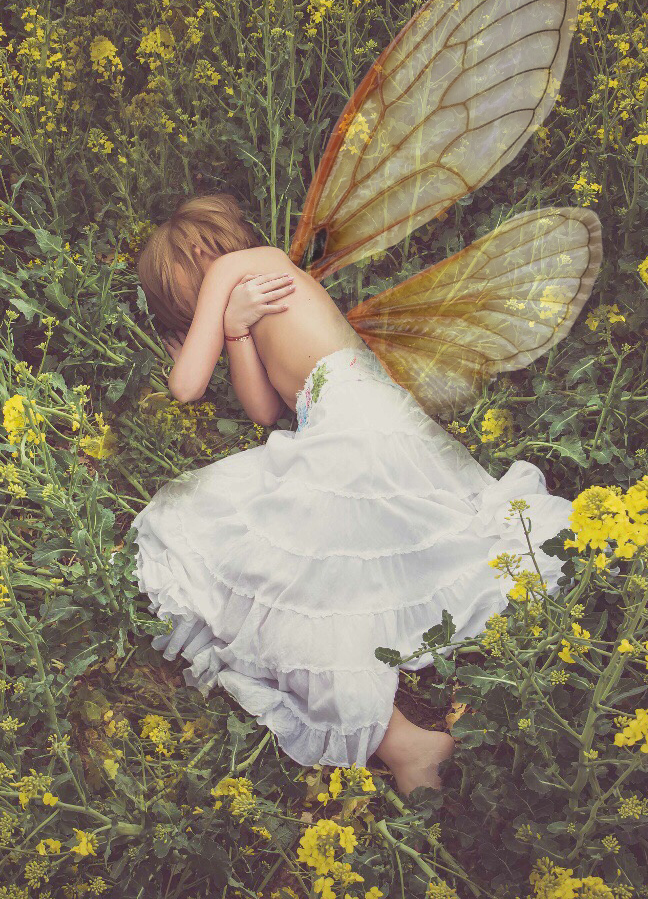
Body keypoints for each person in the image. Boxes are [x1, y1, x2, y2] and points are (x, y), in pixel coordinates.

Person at [129, 193, 575, 796]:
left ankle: (400, 742)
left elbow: (186, 387)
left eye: (187, 297)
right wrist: (234, 332)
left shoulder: (246, 264)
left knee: (276, 572)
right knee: (330, 579)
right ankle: (407, 744)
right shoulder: (256, 296)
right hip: (377, 429)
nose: (196, 306)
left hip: (354, 430)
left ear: (200, 256)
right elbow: (265, 410)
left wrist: (193, 344)